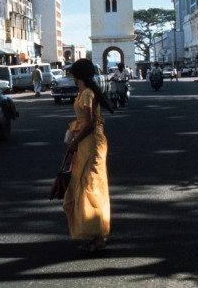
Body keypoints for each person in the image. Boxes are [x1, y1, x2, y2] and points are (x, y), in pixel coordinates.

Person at [63, 58, 114, 253]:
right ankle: (96, 236)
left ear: (77, 75)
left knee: (89, 186)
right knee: (86, 184)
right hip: (87, 141)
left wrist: (75, 141)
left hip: (91, 142)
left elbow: (90, 123)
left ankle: (96, 235)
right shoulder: (84, 92)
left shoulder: (87, 94)